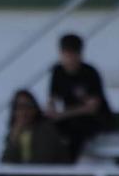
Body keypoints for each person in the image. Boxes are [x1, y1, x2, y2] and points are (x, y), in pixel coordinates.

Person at [46, 33, 113, 161]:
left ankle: (71, 167)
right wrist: (51, 112)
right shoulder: (58, 72)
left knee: (76, 130)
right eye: (66, 54)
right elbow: (52, 98)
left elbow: (92, 108)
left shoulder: (89, 73)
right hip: (69, 118)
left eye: (73, 54)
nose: (70, 59)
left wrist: (62, 114)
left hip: (93, 119)